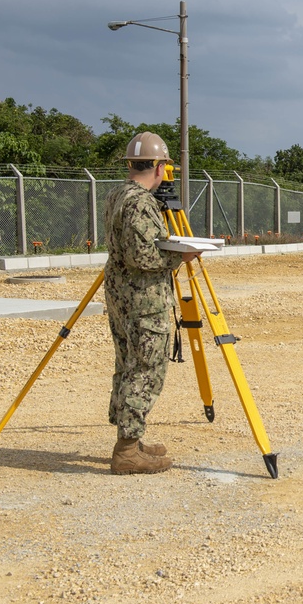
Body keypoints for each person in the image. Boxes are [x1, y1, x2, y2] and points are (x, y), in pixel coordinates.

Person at [104, 132, 198, 475]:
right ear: (159, 167)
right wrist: (181, 256)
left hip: (121, 294)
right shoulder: (141, 202)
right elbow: (144, 256)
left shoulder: (117, 194)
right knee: (146, 368)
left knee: (128, 363)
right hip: (144, 298)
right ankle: (127, 450)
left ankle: (131, 437)